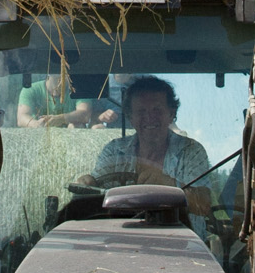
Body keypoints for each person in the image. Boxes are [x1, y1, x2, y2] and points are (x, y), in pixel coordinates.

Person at [91, 76, 213, 207]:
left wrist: (169, 184)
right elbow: (95, 192)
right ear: (130, 117)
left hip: (180, 227)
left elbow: (204, 204)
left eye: (157, 110)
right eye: (141, 111)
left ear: (171, 114)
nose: (149, 117)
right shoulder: (114, 150)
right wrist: (88, 184)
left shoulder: (190, 151)